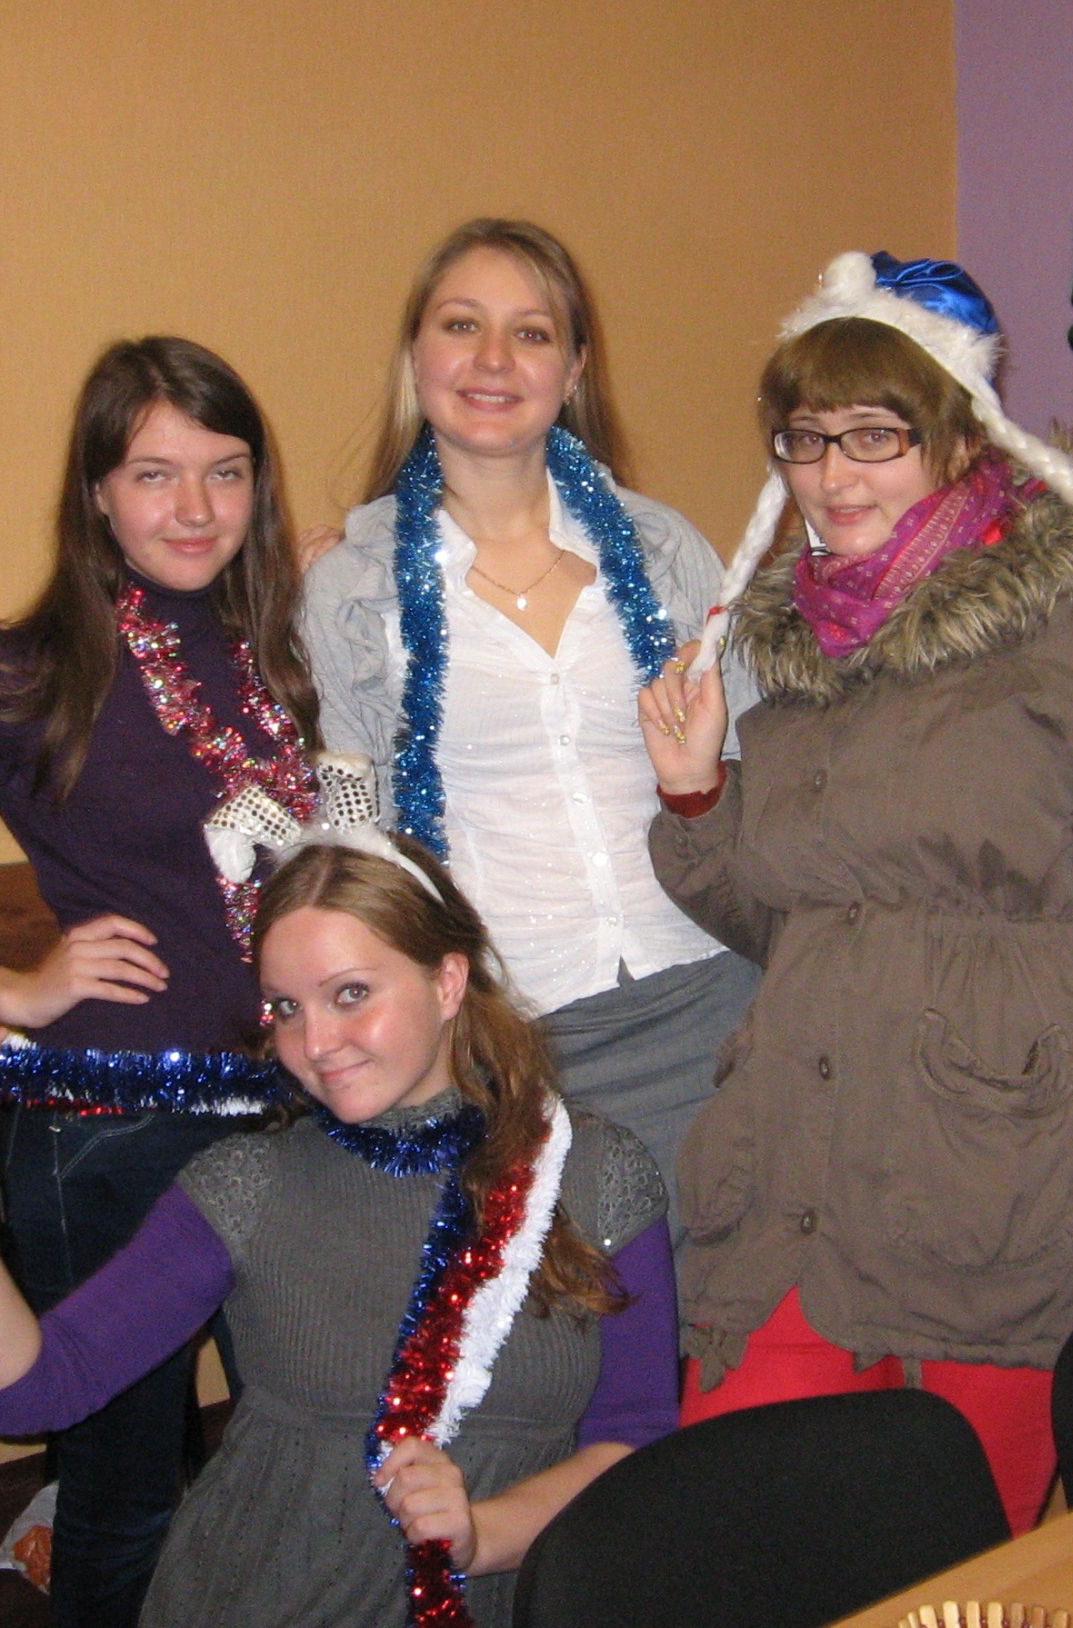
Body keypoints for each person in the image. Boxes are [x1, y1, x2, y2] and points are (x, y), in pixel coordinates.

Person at [636, 252, 1073, 1532]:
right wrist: (696, 797)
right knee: (732, 1530)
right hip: (807, 1172)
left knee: (945, 1570)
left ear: (958, 438)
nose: (833, 475)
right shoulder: (806, 646)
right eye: (805, 438)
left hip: (1017, 1173)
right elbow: (794, 923)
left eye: (874, 434)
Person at [0, 337, 319, 1627]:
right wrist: (6, 990)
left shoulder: (289, 655)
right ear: (95, 492)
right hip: (114, 1133)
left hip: (296, 1110)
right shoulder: (15, 672)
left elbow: (340, 849)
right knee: (124, 1492)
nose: (193, 508)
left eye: (225, 471)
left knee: (303, 1447)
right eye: (152, 473)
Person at [0, 831, 678, 1628]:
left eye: (351, 993)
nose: (315, 1044)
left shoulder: (594, 1174)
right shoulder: (250, 1184)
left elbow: (631, 1441)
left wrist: (479, 1534)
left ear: (447, 981)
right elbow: (26, 1394)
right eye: (287, 1008)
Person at [300, 217, 758, 1245]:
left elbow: (753, 766)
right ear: (416, 353)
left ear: (575, 367)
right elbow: (357, 836)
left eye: (533, 332)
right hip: (520, 1039)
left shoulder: (664, 547)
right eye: (462, 325)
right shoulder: (350, 587)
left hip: (718, 1003)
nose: (495, 360)